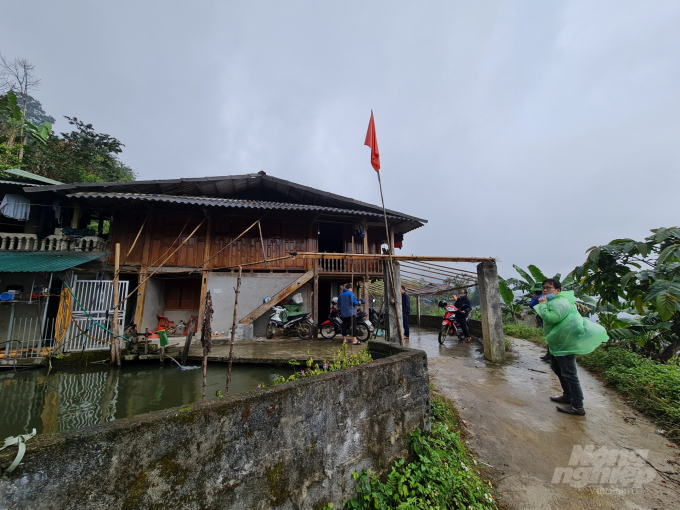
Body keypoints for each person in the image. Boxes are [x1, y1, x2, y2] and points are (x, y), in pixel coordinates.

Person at [534, 278, 608, 416]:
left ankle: (578, 406)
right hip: (559, 342)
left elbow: (551, 318)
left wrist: (543, 305)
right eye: (543, 288)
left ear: (558, 290)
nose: (545, 290)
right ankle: (568, 396)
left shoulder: (560, 302)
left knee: (570, 374)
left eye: (549, 288)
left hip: (565, 343)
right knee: (557, 368)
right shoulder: (555, 300)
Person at [528, 282, 549, 361]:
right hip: (547, 319)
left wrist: (534, 297)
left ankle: (550, 356)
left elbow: (531, 305)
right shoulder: (547, 296)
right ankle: (549, 355)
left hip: (545, 320)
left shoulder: (539, 298)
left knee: (549, 337)